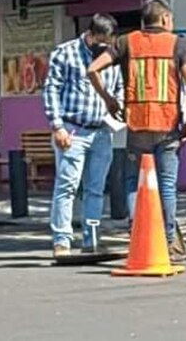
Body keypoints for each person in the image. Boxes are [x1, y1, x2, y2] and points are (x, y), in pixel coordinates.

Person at [88, 0, 186, 264]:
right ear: (163, 20)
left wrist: (109, 100)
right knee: (167, 186)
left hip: (136, 124)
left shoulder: (127, 42)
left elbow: (92, 69)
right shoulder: (179, 44)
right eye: (170, 20)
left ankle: (137, 235)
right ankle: (169, 242)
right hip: (168, 124)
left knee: (133, 183)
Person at [42, 13, 123, 258]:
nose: (106, 47)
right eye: (103, 41)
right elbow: (51, 89)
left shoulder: (111, 58)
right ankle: (62, 241)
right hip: (73, 129)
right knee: (67, 186)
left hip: (101, 131)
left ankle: (92, 239)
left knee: (96, 189)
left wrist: (118, 106)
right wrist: (58, 127)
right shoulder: (65, 53)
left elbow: (118, 87)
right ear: (91, 35)